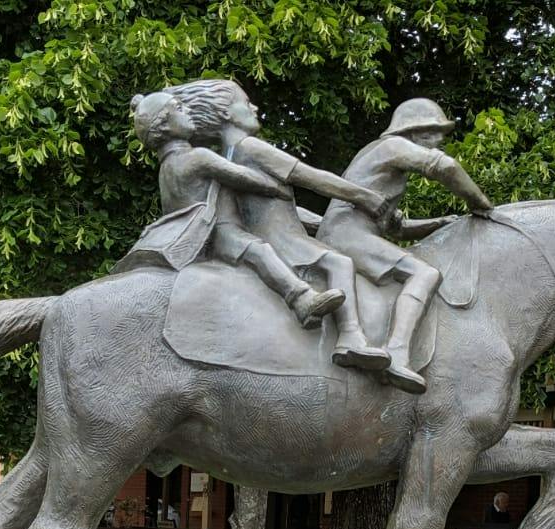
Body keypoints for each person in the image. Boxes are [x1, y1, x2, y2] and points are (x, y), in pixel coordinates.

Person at [166, 79, 391, 368]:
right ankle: (351, 337)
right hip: (280, 237)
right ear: (226, 113)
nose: (254, 107)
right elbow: (310, 176)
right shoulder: (252, 148)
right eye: (246, 103)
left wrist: (323, 221)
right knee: (340, 263)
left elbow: (270, 207)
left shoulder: (230, 155)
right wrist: (364, 196)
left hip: (273, 230)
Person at [118, 91, 345, 329]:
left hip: (196, 234)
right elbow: (243, 177)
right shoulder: (199, 157)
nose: (188, 112)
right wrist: (277, 185)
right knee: (260, 251)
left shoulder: (165, 170)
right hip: (218, 232)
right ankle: (302, 300)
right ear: (165, 124)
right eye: (179, 108)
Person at [318, 98, 494, 392]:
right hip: (347, 234)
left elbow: (396, 229)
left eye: (440, 133)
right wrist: (482, 203)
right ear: (410, 131)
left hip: (354, 233)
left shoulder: (384, 171)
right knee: (426, 274)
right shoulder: (390, 148)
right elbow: (445, 167)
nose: (438, 140)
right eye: (430, 132)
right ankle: (398, 353)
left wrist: (440, 222)